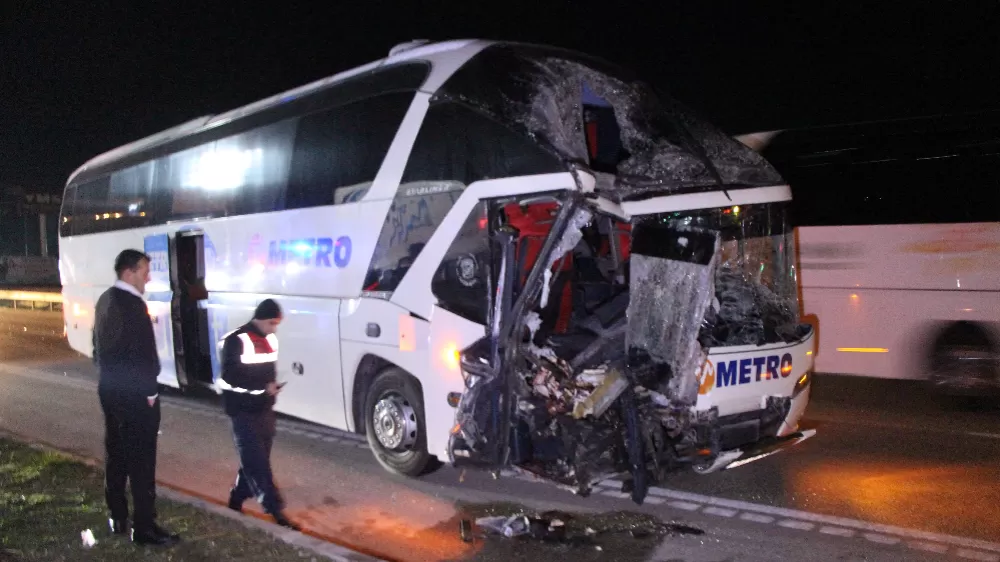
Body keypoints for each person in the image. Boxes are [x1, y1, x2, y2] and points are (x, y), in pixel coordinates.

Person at [93, 249, 179, 546]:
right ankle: (144, 527)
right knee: (142, 462)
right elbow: (144, 357)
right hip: (136, 397)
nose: (148, 277)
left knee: (115, 455)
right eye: (145, 271)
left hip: (110, 391)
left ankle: (117, 515)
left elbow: (98, 348)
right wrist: (151, 393)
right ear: (129, 273)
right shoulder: (132, 305)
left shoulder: (105, 300)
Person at [218, 299, 300, 530]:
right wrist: (263, 388)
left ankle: (236, 499)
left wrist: (270, 390)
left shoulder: (270, 339)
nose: (274, 329)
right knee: (258, 463)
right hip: (242, 411)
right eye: (272, 323)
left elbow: (267, 371)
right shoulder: (235, 340)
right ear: (261, 318)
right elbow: (229, 378)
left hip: (263, 410)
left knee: (254, 460)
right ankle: (276, 512)